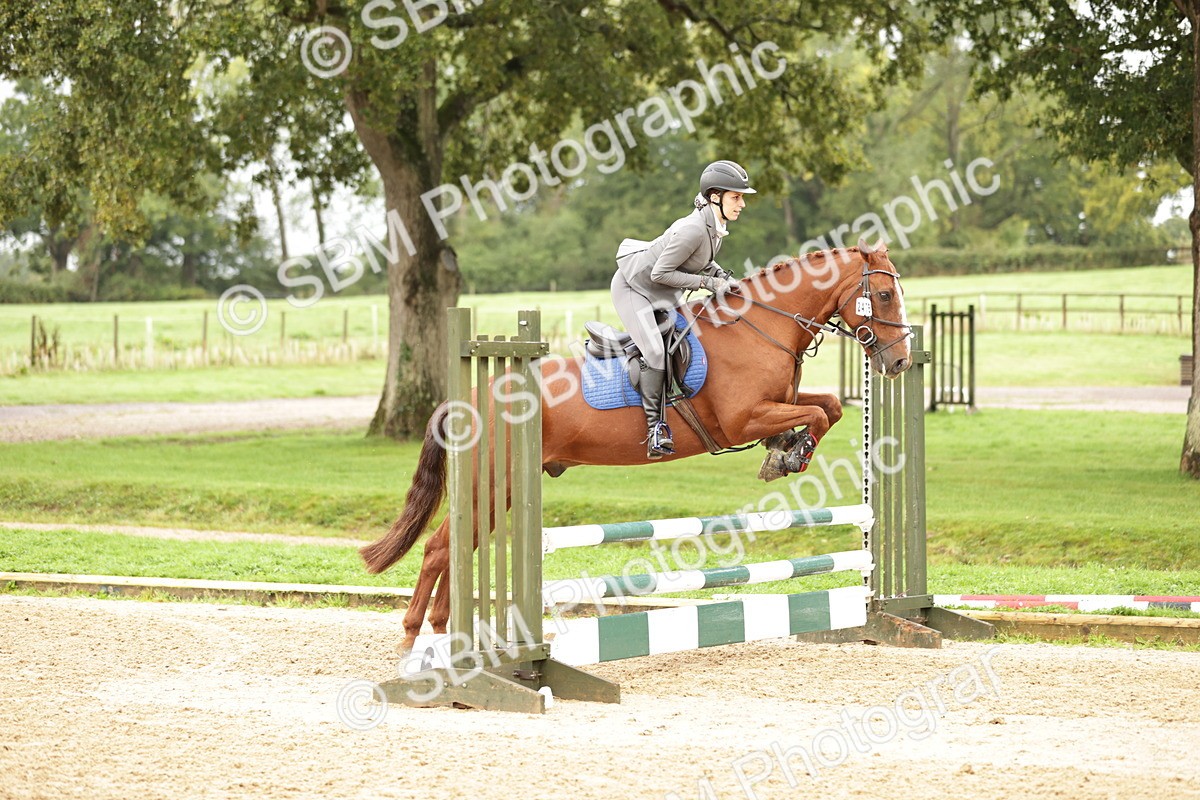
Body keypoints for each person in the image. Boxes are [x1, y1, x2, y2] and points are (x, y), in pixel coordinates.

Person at [611, 159, 755, 460]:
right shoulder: (692, 229)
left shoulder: (713, 226)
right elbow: (659, 274)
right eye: (736, 197)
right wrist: (708, 282)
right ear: (715, 195)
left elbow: (701, 261)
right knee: (653, 351)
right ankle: (655, 429)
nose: (742, 204)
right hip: (634, 289)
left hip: (661, 291)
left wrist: (724, 278)